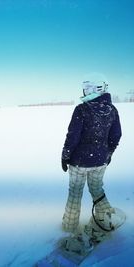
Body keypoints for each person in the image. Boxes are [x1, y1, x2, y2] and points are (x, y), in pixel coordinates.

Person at [61, 80, 122, 235]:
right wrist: (108, 154)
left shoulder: (81, 110)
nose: (84, 91)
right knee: (97, 189)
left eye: (86, 89)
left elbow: (73, 136)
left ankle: (69, 226)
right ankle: (105, 217)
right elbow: (116, 136)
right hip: (100, 161)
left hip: (79, 163)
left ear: (92, 90)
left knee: (75, 193)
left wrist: (65, 155)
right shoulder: (112, 110)